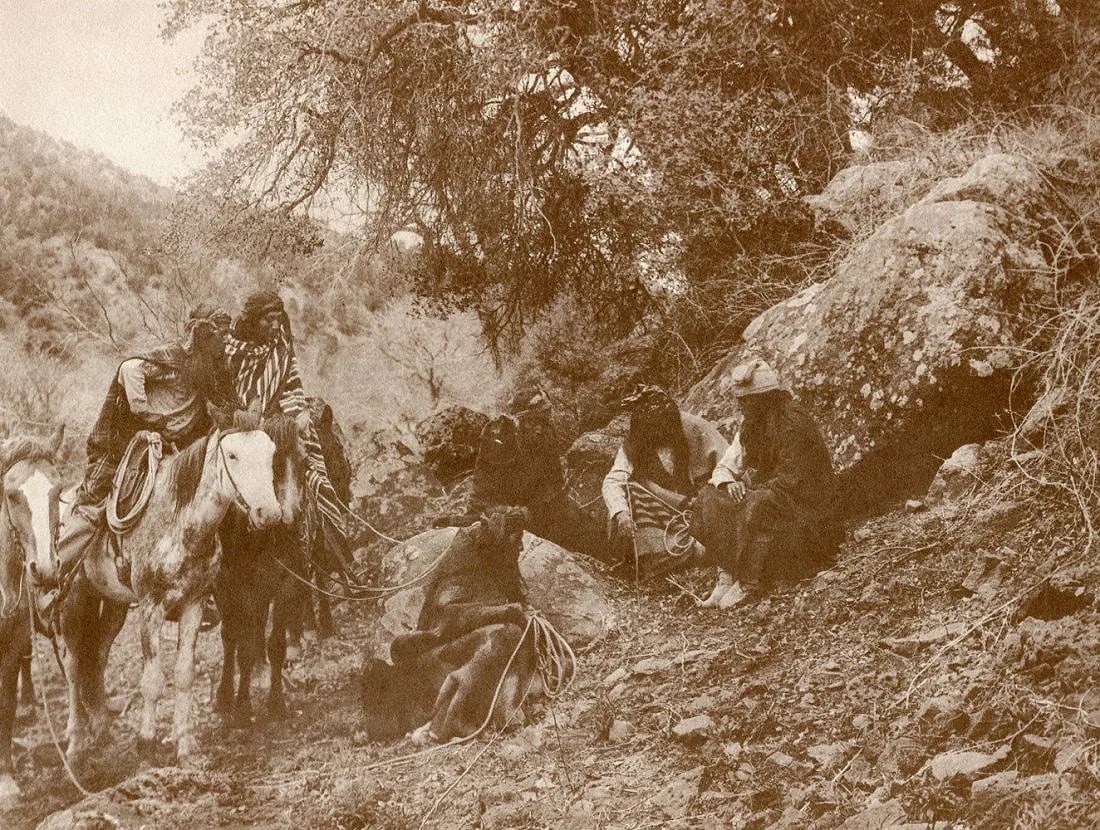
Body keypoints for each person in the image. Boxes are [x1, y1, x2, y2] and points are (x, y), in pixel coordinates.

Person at [36, 305, 234, 614]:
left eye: (227, 335)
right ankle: (53, 579)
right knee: (95, 502)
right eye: (220, 335)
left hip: (178, 449)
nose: (225, 342)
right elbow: (129, 369)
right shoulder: (173, 358)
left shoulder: (215, 369)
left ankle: (197, 589)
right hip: (126, 442)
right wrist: (146, 414)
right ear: (204, 335)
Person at [694, 358, 841, 608]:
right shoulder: (752, 426)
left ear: (763, 399)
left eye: (745, 401)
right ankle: (727, 577)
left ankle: (750, 581)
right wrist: (728, 483)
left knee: (757, 503)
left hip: (806, 513)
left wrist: (750, 489)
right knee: (709, 495)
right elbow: (725, 466)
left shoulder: (794, 426)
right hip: (773, 498)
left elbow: (791, 483)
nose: (739, 406)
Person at [223, 291, 352, 562]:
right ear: (252, 321)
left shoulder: (280, 342)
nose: (274, 325)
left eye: (277, 319)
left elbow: (291, 382)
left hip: (277, 416)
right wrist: (245, 416)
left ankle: (329, 543)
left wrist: (298, 412)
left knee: (316, 456)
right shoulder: (230, 349)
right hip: (239, 422)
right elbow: (225, 393)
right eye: (267, 320)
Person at [602, 385, 728, 580]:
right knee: (630, 492)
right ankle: (682, 552)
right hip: (661, 514)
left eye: (661, 427)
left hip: (701, 509)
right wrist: (621, 513)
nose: (657, 434)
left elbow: (728, 467)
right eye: (650, 429)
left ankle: (687, 553)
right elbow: (614, 480)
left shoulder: (695, 428)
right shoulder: (636, 440)